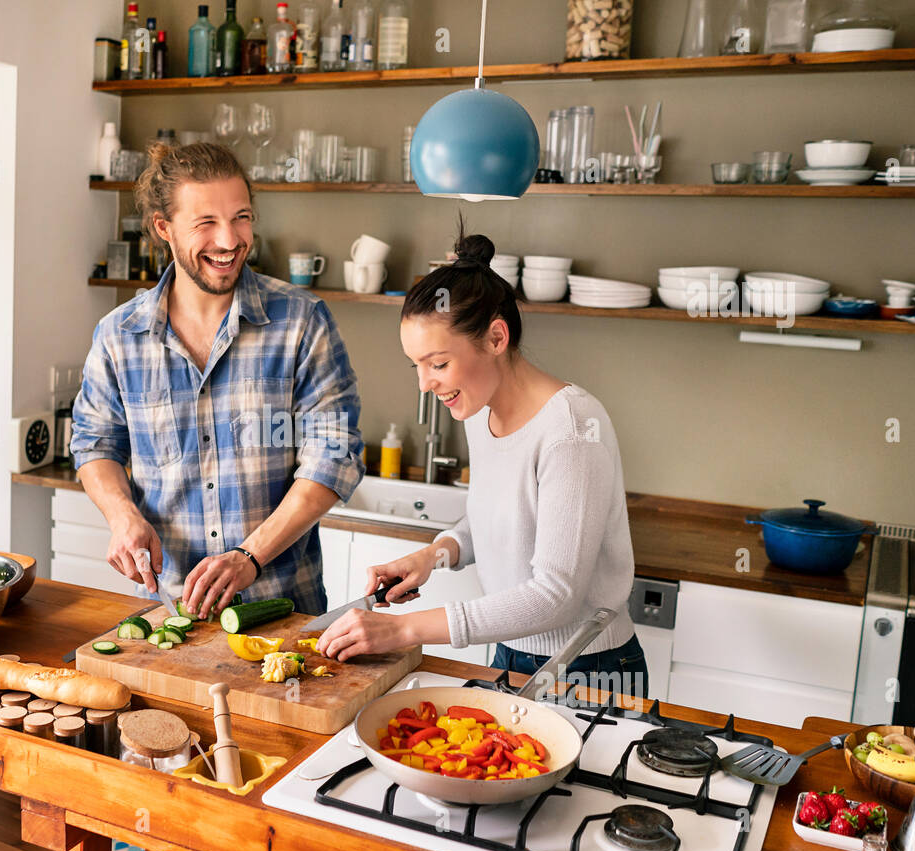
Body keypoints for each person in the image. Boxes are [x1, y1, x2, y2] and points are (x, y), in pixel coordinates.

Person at [316, 222, 647, 700]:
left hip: (587, 669)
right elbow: (496, 516)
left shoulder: (572, 428)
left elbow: (555, 595)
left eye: (439, 363)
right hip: (508, 655)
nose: (425, 384)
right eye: (418, 366)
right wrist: (435, 554)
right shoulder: (479, 410)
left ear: (496, 338)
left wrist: (404, 630)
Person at [71, 142, 364, 618]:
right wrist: (123, 516)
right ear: (164, 228)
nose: (229, 240)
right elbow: (95, 444)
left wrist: (251, 556)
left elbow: (334, 456)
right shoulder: (118, 336)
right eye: (206, 223)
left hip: (285, 607)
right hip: (168, 609)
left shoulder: (301, 321)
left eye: (241, 217)